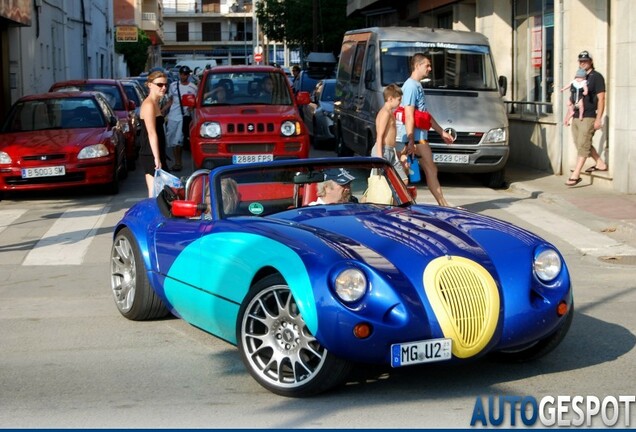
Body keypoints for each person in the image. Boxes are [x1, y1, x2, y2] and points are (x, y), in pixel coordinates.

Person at [396, 52, 454, 206]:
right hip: (416, 139)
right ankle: (443, 205)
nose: (430, 68)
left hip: (418, 137)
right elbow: (409, 114)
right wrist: (410, 140)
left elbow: (423, 115)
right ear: (417, 66)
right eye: (427, 65)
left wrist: (441, 132)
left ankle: (442, 205)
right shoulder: (410, 86)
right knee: (427, 170)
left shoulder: (416, 85)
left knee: (425, 170)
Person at [565, 50, 608, 186]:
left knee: (583, 144)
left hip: (589, 115)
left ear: (591, 61)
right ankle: (600, 163)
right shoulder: (579, 77)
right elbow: (573, 96)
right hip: (577, 115)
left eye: (585, 61)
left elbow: (601, 99)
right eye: (581, 61)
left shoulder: (597, 77)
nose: (583, 63)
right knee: (580, 143)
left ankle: (576, 174)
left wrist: (598, 118)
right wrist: (568, 115)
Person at [139, 70, 169, 198]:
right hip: (150, 152)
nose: (164, 88)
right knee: (155, 191)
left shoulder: (155, 103)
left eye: (165, 85)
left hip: (156, 151)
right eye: (160, 85)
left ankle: (158, 215)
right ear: (150, 85)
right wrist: (157, 158)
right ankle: (155, 215)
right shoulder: (149, 104)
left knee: (160, 190)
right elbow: (151, 133)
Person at [163, 65, 198, 172]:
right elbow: (170, 100)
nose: (184, 76)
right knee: (173, 140)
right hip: (173, 116)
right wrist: (163, 110)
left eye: (186, 74)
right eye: (182, 74)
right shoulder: (173, 86)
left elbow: (195, 102)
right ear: (179, 74)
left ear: (188, 75)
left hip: (184, 117)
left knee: (179, 141)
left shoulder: (193, 88)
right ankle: (176, 161)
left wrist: (192, 108)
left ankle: (179, 163)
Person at [371, 83, 408, 183]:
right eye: (399, 100)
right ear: (390, 99)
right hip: (383, 150)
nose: (400, 103)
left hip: (391, 150)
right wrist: (379, 156)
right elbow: (380, 135)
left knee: (403, 181)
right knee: (380, 183)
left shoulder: (390, 112)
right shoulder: (385, 113)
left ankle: (393, 198)